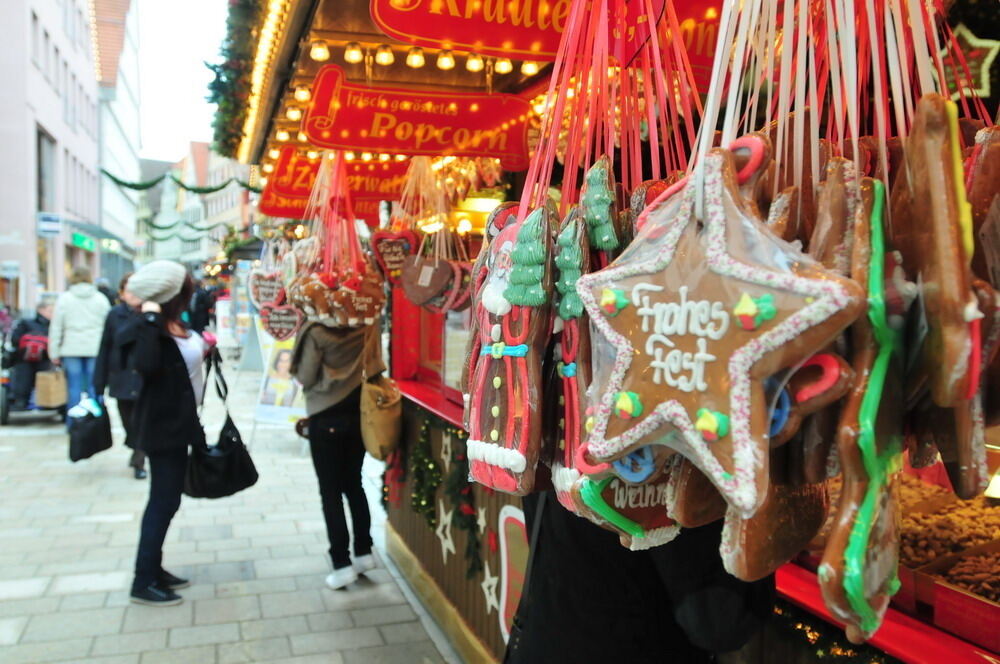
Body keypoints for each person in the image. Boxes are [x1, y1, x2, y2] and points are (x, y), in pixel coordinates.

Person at [122, 260, 206, 606]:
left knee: (168, 500)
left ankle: (154, 569)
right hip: (162, 428)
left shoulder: (173, 323)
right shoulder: (145, 325)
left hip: (179, 424)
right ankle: (143, 579)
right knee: (162, 501)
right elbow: (146, 364)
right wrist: (151, 316)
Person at [292, 321, 384, 589]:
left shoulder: (316, 332)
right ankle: (364, 553)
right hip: (359, 414)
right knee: (354, 485)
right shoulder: (366, 326)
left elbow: (306, 377)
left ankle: (341, 564)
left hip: (325, 416)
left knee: (330, 493)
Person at [93, 273, 147, 480]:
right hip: (121, 376)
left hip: (144, 376)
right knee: (128, 422)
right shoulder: (115, 314)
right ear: (121, 293)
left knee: (142, 421)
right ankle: (134, 445)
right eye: (128, 290)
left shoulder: (150, 313)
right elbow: (106, 346)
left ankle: (139, 459)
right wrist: (98, 383)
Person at [48, 266, 112, 416]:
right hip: (95, 347)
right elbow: (109, 325)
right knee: (93, 386)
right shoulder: (100, 299)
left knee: (73, 388)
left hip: (71, 347)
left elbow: (56, 327)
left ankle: (74, 423)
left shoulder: (65, 299)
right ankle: (94, 422)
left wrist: (54, 352)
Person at [9, 297, 55, 409]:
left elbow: (15, 340)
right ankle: (48, 401)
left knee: (22, 373)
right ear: (41, 310)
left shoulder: (25, 323)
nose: (53, 313)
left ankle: (20, 401)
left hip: (23, 360)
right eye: (51, 310)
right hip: (45, 360)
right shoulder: (52, 326)